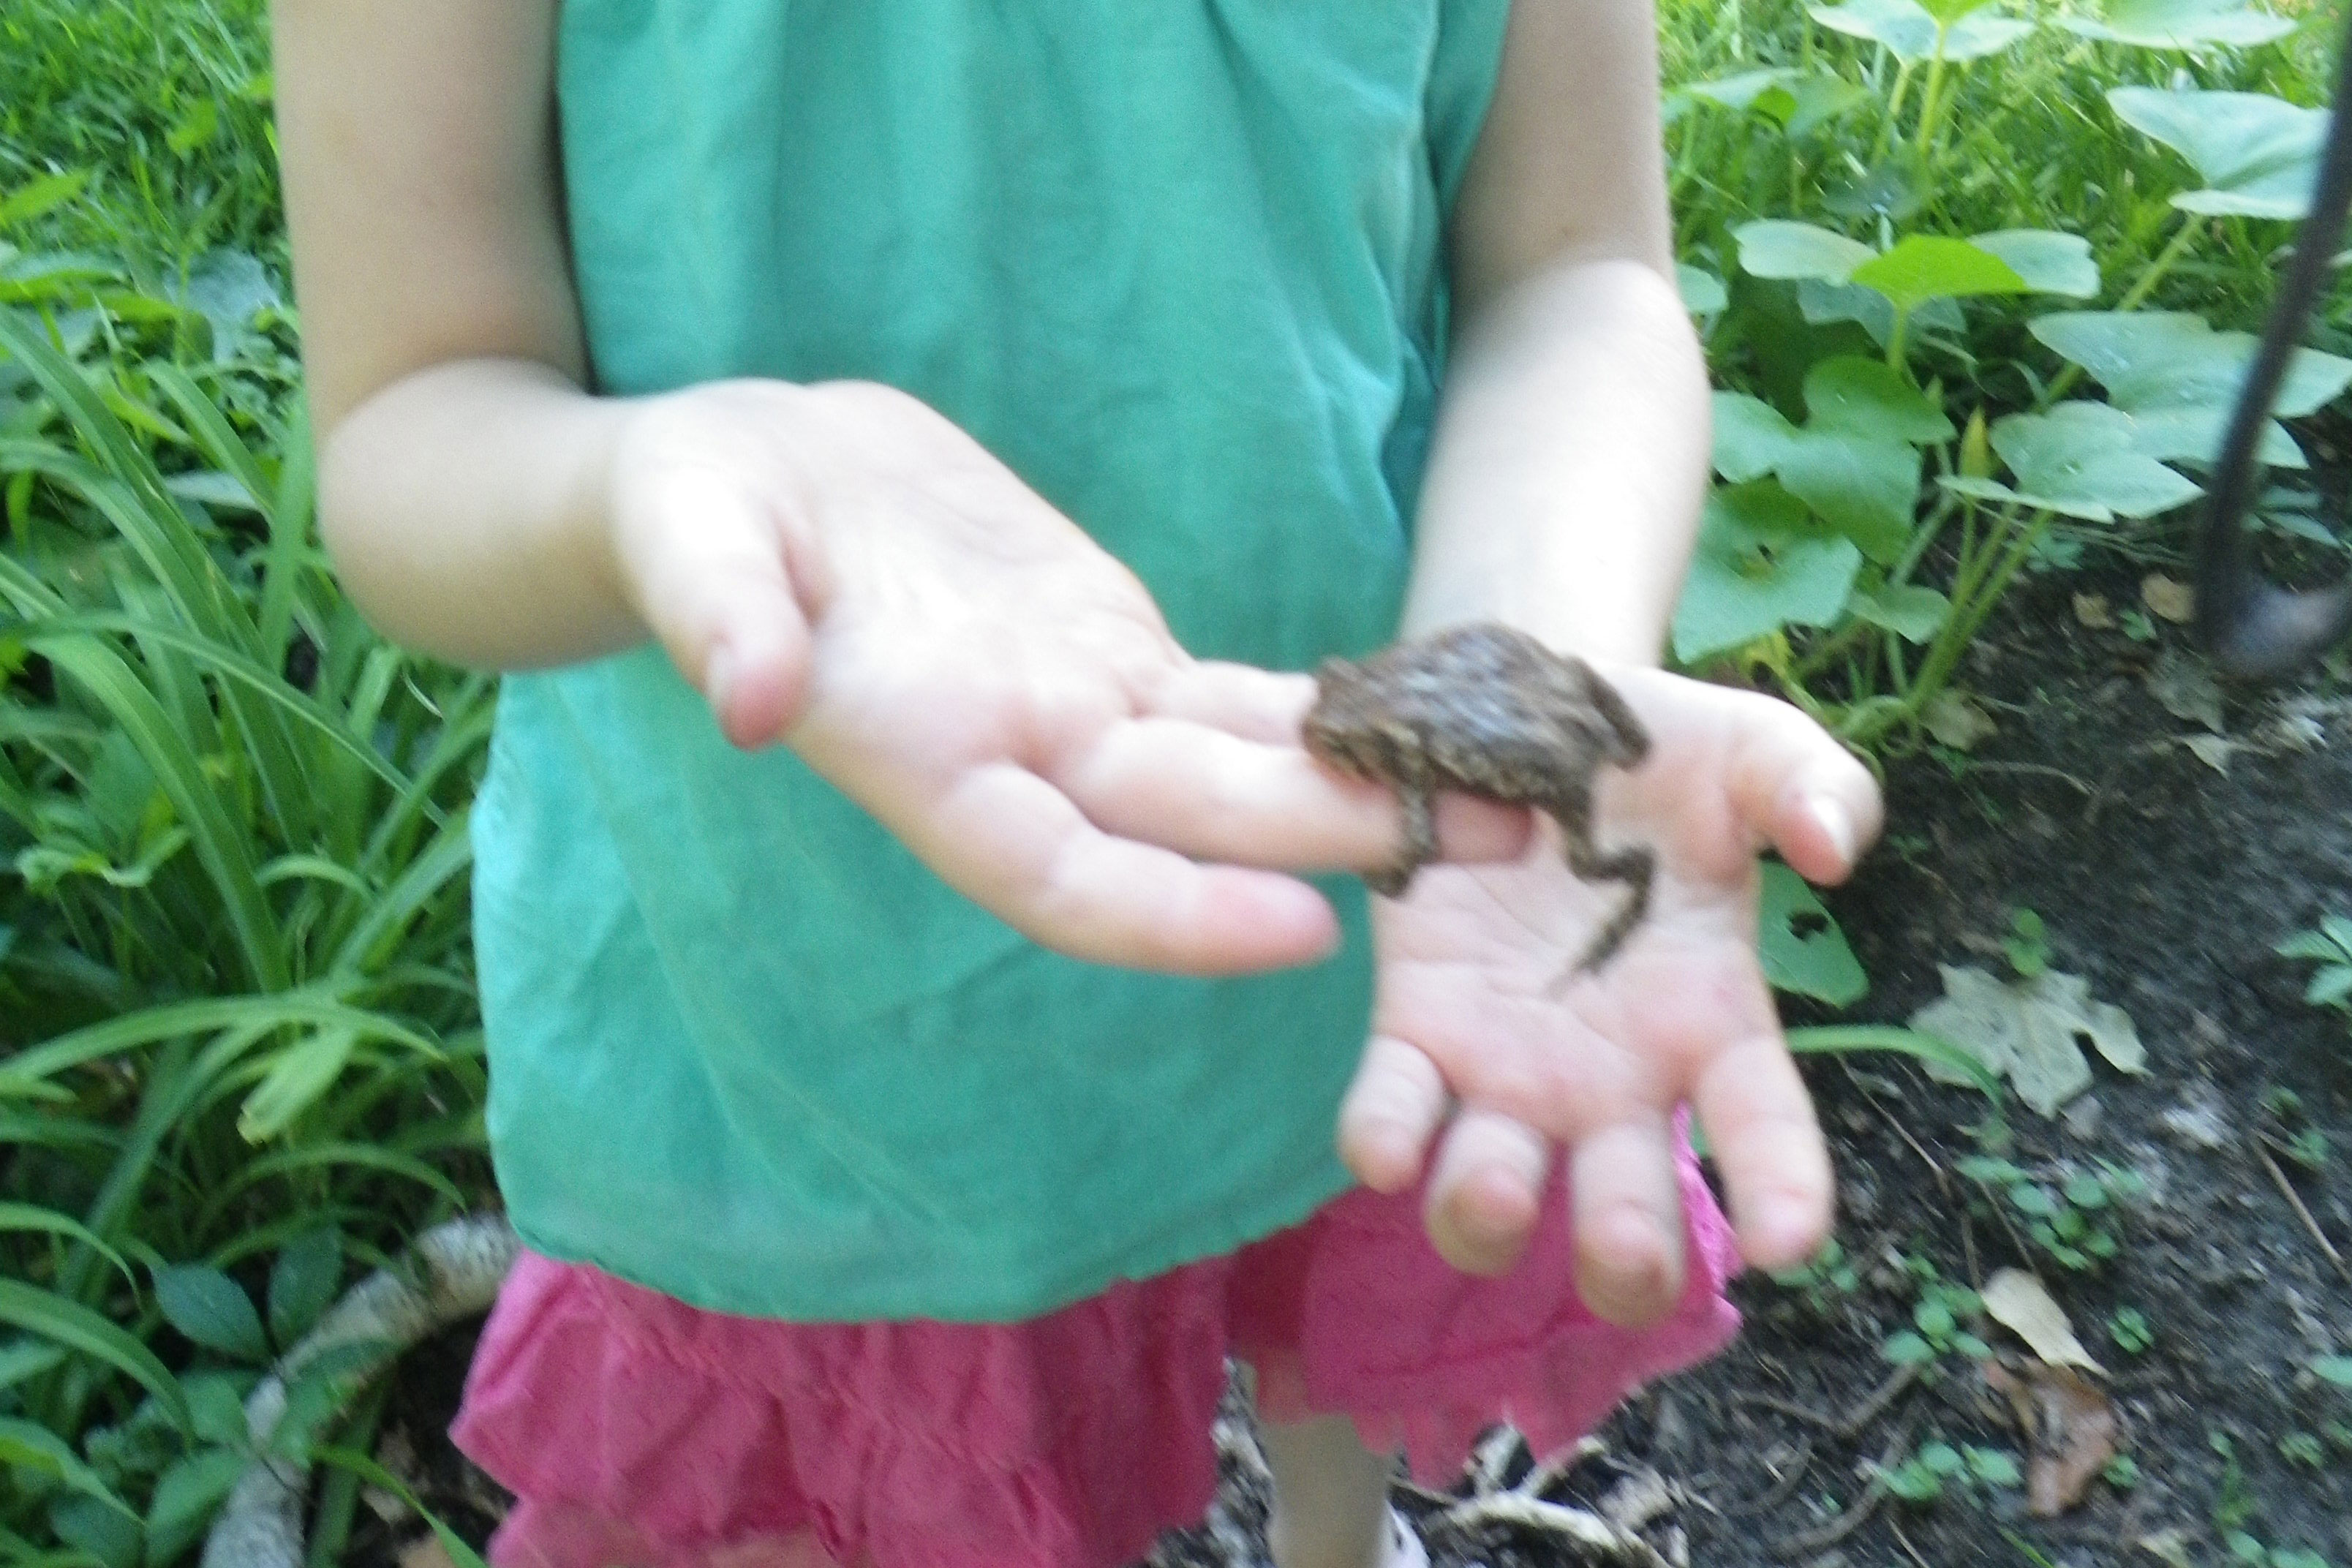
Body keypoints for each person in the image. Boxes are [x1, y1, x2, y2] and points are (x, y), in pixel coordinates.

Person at [271, 2, 1882, 1565]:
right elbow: (417, 399)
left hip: (1358, 896)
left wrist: (1535, 660)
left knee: (1341, 1227)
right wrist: (655, 479)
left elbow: (1575, 267)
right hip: (807, 1011)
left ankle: (1339, 1534)